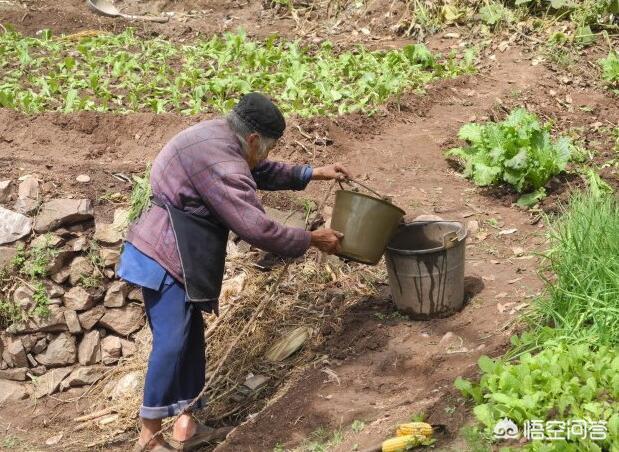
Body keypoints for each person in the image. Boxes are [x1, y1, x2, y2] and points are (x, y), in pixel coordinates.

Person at [117, 92, 350, 451]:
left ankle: (186, 426)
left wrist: (311, 173)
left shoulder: (221, 135)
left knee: (189, 339)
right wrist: (311, 239)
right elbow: (257, 229)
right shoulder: (221, 161)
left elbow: (258, 169)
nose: (266, 156)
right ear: (254, 139)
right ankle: (149, 434)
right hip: (165, 251)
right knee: (172, 342)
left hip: (179, 249)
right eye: (268, 148)